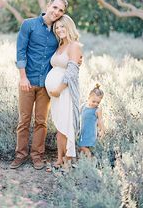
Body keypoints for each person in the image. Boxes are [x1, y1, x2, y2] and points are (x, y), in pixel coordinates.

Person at [10, 0, 68, 170]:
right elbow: (20, 52)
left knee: (41, 121)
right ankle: (20, 155)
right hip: (27, 81)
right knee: (24, 120)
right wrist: (23, 77)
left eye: (61, 10)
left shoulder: (58, 31)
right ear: (48, 5)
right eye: (55, 7)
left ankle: (37, 156)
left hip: (46, 86)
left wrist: (76, 59)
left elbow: (68, 46)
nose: (56, 12)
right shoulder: (29, 25)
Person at [45, 14, 82, 169]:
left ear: (69, 27)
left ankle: (67, 160)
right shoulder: (59, 46)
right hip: (56, 94)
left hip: (64, 92)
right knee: (60, 126)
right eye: (57, 27)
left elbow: (72, 70)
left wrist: (59, 89)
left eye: (62, 26)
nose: (60, 30)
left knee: (66, 125)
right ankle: (59, 159)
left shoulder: (74, 46)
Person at [78, 84, 105, 158]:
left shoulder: (97, 110)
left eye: (98, 102)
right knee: (81, 146)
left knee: (83, 146)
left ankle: (90, 160)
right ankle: (86, 159)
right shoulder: (83, 106)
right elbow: (77, 114)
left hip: (90, 133)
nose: (95, 104)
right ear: (89, 97)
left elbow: (100, 120)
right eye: (94, 101)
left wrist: (102, 130)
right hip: (83, 131)